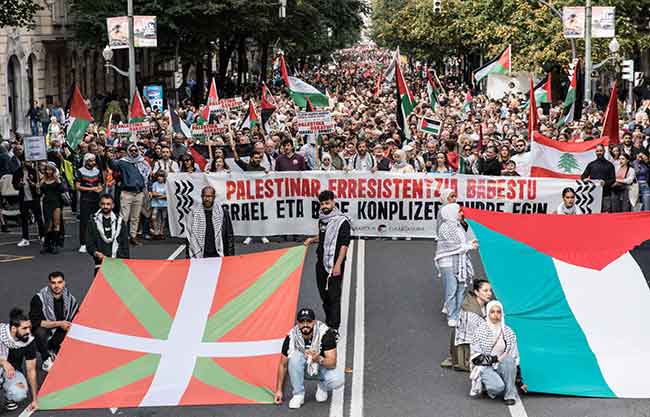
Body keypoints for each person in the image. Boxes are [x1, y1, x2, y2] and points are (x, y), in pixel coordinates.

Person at [274, 308, 344, 409]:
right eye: (302, 322)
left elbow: (332, 363)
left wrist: (318, 358)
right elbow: (283, 364)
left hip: (321, 367)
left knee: (338, 379)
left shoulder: (325, 334)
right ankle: (298, 394)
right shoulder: (291, 337)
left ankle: (322, 386)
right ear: (298, 323)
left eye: (309, 321)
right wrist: (279, 390)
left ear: (314, 322)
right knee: (294, 357)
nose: (305, 325)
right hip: (302, 368)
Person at [304, 191, 351, 330]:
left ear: (333, 202)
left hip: (335, 264)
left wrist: (338, 265)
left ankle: (334, 327)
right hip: (321, 262)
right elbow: (322, 236)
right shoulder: (322, 219)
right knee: (323, 294)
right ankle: (329, 319)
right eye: (322, 203)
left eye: (327, 203)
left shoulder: (342, 221)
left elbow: (344, 245)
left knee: (333, 295)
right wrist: (312, 239)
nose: (324, 206)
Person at [435, 203, 478, 327]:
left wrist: (470, 242)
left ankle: (458, 313)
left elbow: (461, 243)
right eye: (459, 211)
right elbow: (452, 246)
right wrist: (469, 246)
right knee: (452, 289)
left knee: (461, 288)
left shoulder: (459, 226)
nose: (461, 213)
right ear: (451, 212)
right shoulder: (445, 227)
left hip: (460, 261)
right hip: (447, 263)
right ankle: (451, 316)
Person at [470, 300, 520, 406]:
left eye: (498, 312)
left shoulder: (508, 332)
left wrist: (520, 379)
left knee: (509, 360)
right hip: (485, 366)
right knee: (497, 388)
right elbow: (475, 357)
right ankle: (486, 384)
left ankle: (509, 395)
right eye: (492, 312)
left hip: (502, 364)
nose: (495, 315)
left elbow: (514, 355)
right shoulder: (480, 331)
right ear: (488, 313)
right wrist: (495, 359)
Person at [29, 271, 78, 372]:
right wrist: (59, 323)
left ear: (64, 283)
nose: (57, 285)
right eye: (53, 282)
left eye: (59, 282)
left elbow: (75, 318)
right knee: (39, 331)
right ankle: (46, 359)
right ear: (49, 283)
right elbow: (35, 322)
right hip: (46, 331)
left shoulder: (70, 299)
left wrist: (69, 326)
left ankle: (58, 352)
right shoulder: (39, 298)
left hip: (61, 331)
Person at [442, 279, 493, 371]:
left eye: (490, 291)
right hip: (468, 351)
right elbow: (480, 338)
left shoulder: (484, 305)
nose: (489, 294)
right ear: (476, 292)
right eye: (485, 291)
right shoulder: (470, 313)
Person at [0, 308, 39, 412]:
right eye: (24, 328)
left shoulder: (28, 341)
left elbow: (31, 370)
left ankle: (9, 398)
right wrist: (3, 362)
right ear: (13, 329)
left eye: (29, 328)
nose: (28, 331)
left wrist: (35, 399)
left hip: (12, 372)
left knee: (19, 393)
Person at [111, 144, 150, 245]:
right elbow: (113, 166)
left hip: (139, 193)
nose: (133, 152)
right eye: (131, 150)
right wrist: (111, 157)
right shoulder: (123, 162)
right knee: (124, 217)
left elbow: (148, 175)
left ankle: (133, 236)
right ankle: (121, 237)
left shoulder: (142, 162)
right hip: (127, 193)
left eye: (135, 150)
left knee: (135, 217)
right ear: (128, 151)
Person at [86, 194, 130, 276]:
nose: (105, 206)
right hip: (100, 263)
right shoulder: (93, 221)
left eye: (108, 204)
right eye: (103, 204)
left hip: (118, 263)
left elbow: (125, 243)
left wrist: (126, 262)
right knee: (101, 288)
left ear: (113, 205)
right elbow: (89, 242)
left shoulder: (120, 222)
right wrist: (95, 253)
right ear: (99, 204)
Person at [187, 186, 234, 258]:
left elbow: (229, 236)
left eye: (209, 196)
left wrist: (231, 257)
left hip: (218, 254)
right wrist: (188, 258)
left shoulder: (222, 213)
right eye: (204, 196)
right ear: (201, 197)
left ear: (214, 197)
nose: (207, 199)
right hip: (200, 256)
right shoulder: (194, 213)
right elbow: (189, 237)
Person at [75, 153, 104, 253]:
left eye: (94, 160)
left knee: (96, 220)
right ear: (86, 161)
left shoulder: (97, 171)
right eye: (91, 160)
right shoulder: (80, 171)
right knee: (84, 222)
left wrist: (99, 189)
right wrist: (92, 189)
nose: (93, 162)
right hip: (85, 199)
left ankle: (95, 242)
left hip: (96, 199)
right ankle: (83, 243)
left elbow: (100, 184)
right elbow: (78, 186)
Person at [12, 161, 44, 247]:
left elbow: (40, 184)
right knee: (24, 219)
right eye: (27, 161)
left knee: (39, 217)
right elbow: (15, 186)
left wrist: (33, 184)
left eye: (29, 161)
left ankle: (42, 236)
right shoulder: (17, 172)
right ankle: (25, 239)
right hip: (23, 199)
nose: (28, 163)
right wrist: (19, 185)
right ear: (22, 162)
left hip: (34, 198)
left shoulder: (34, 171)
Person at [581, 144, 616, 212]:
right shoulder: (591, 164)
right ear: (595, 152)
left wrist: (605, 183)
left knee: (606, 214)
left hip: (606, 195)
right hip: (593, 195)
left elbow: (613, 179)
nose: (599, 153)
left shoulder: (610, 165)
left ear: (604, 151)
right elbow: (583, 176)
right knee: (594, 214)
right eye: (597, 151)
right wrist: (585, 179)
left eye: (601, 151)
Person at [39, 162, 65, 254]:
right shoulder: (43, 180)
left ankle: (54, 244)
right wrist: (39, 186)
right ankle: (47, 244)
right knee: (48, 225)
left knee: (56, 223)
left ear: (53, 170)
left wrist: (58, 181)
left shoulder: (57, 179)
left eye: (50, 169)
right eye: (47, 169)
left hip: (56, 202)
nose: (48, 171)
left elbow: (62, 190)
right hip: (46, 203)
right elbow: (39, 193)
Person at [149, 171, 168, 240]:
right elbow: (153, 193)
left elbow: (168, 195)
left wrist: (158, 195)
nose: (160, 178)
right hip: (155, 203)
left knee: (164, 218)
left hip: (164, 204)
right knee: (154, 217)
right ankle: (156, 231)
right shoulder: (155, 184)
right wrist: (161, 195)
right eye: (159, 176)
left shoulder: (166, 184)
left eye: (161, 176)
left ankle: (161, 232)